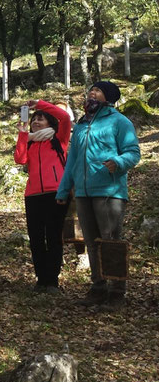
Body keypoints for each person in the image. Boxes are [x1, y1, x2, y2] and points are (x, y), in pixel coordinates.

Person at [56, 81, 140, 309]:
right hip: (83, 193)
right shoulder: (82, 125)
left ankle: (116, 292)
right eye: (91, 90)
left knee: (110, 241)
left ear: (109, 97)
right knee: (92, 242)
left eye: (98, 91)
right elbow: (72, 161)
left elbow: (133, 153)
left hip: (109, 191)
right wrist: (64, 190)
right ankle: (98, 287)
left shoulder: (119, 121)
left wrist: (118, 162)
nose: (92, 93)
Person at [14, 100, 72, 292]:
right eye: (34, 119)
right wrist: (23, 134)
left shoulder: (59, 139)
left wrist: (39, 104)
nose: (36, 122)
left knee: (53, 236)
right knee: (36, 238)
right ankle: (41, 279)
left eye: (41, 119)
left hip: (56, 193)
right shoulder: (29, 141)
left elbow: (64, 117)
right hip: (33, 195)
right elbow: (20, 159)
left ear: (50, 123)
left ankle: (53, 280)